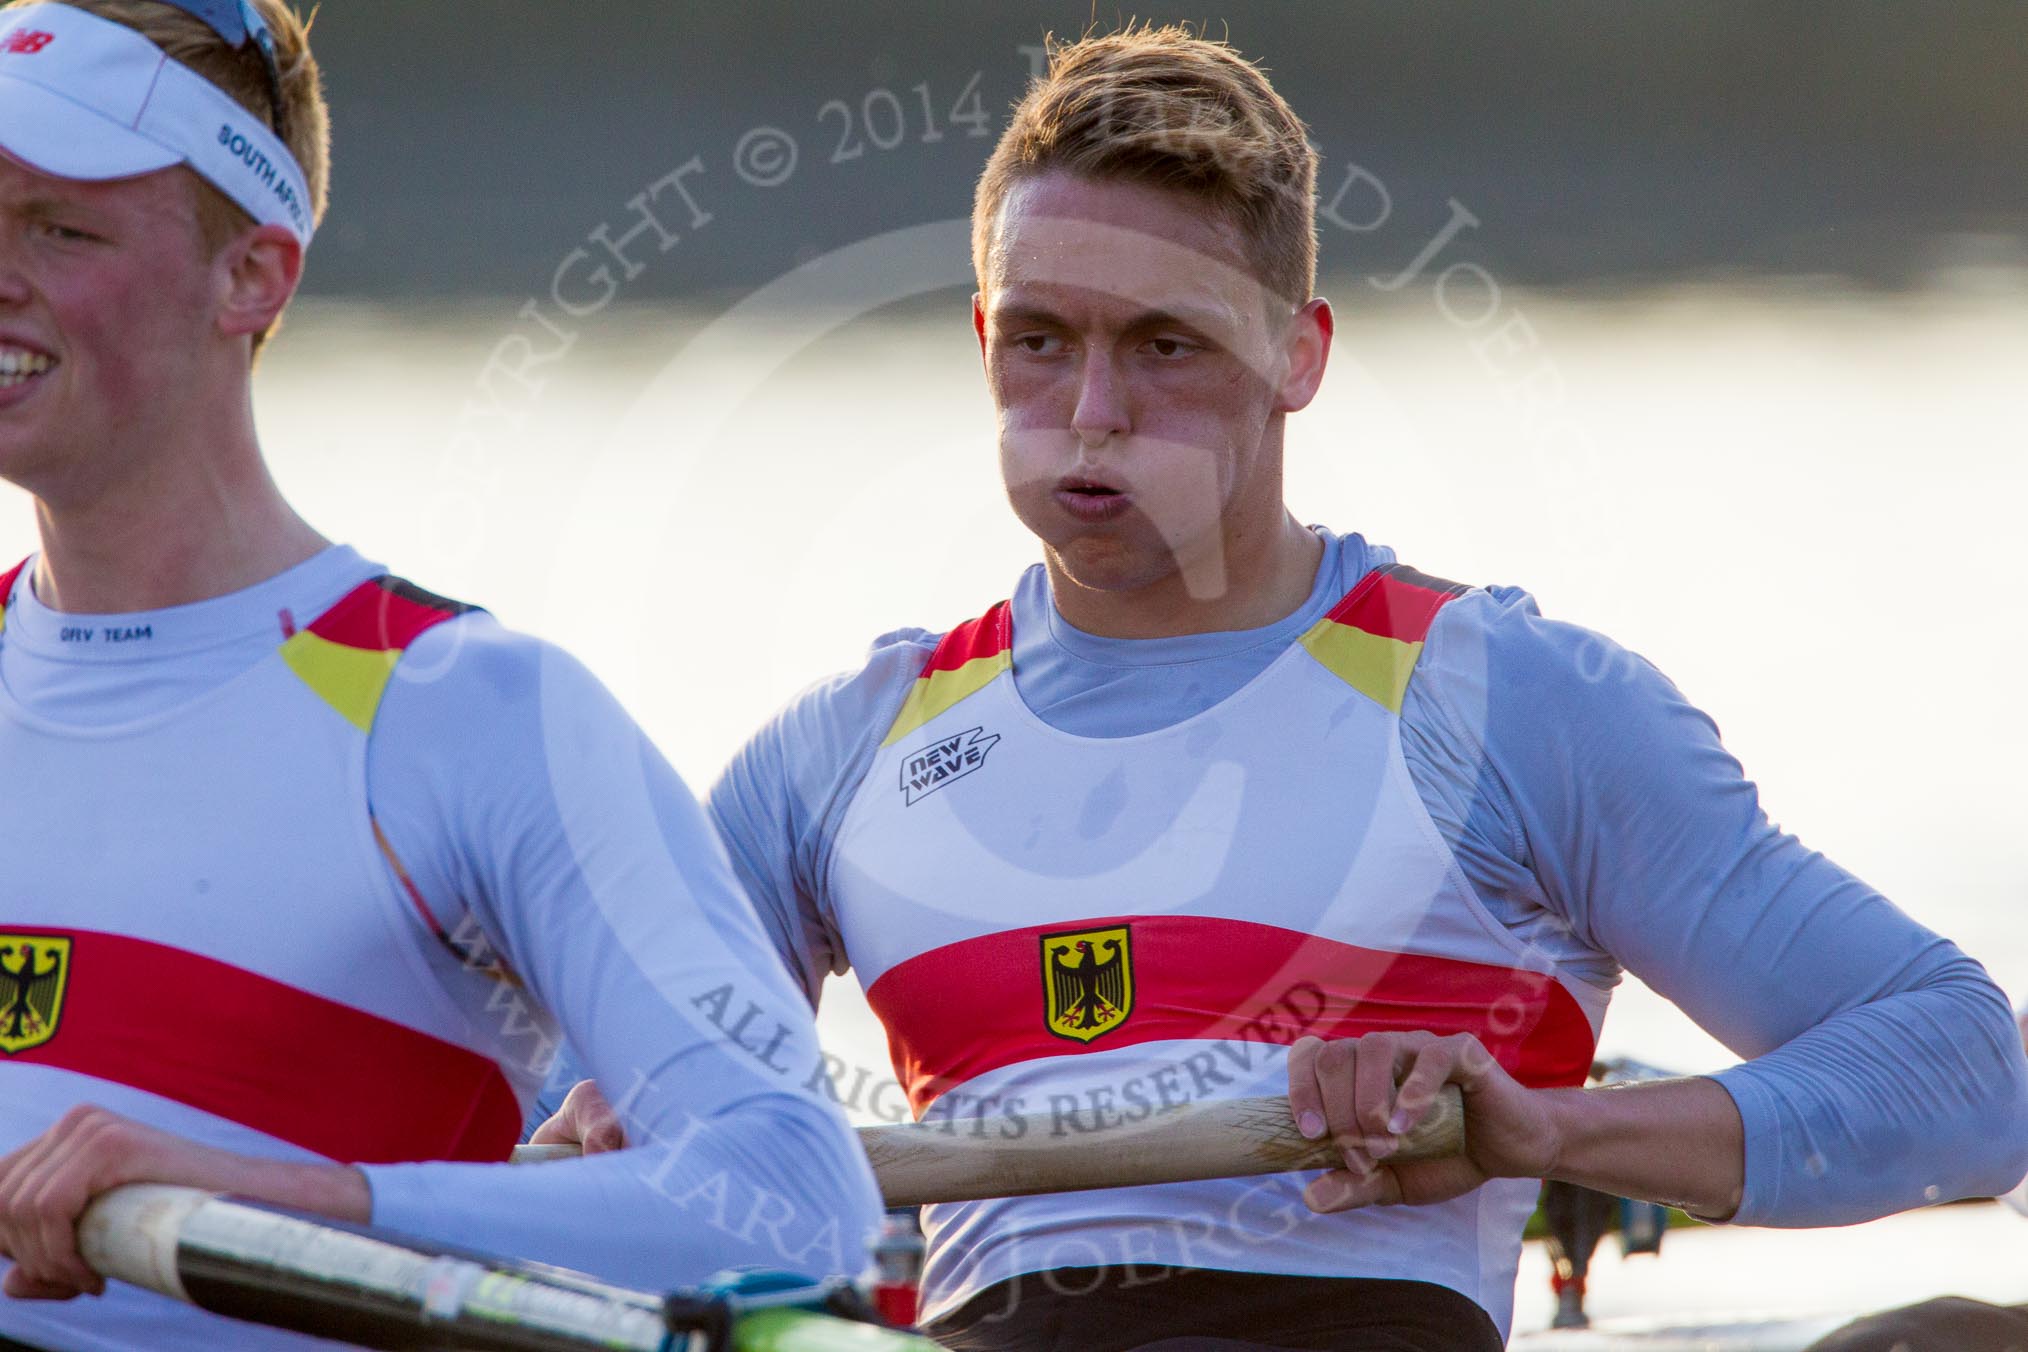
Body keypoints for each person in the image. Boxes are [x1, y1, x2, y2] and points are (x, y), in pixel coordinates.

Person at [541, 24, 2028, 1352]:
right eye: (1042, 343)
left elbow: (1966, 1066)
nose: (1092, 417)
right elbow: (552, 1152)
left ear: (1297, 355)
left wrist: (1539, 1133)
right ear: (983, 339)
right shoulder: (837, 759)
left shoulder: (1506, 705)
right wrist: (625, 1120)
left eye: (1165, 347)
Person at [0, 2, 881, 1348]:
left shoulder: (471, 718)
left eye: (59, 228)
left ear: (255, 275)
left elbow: (792, 1197)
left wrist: (275, 1198)